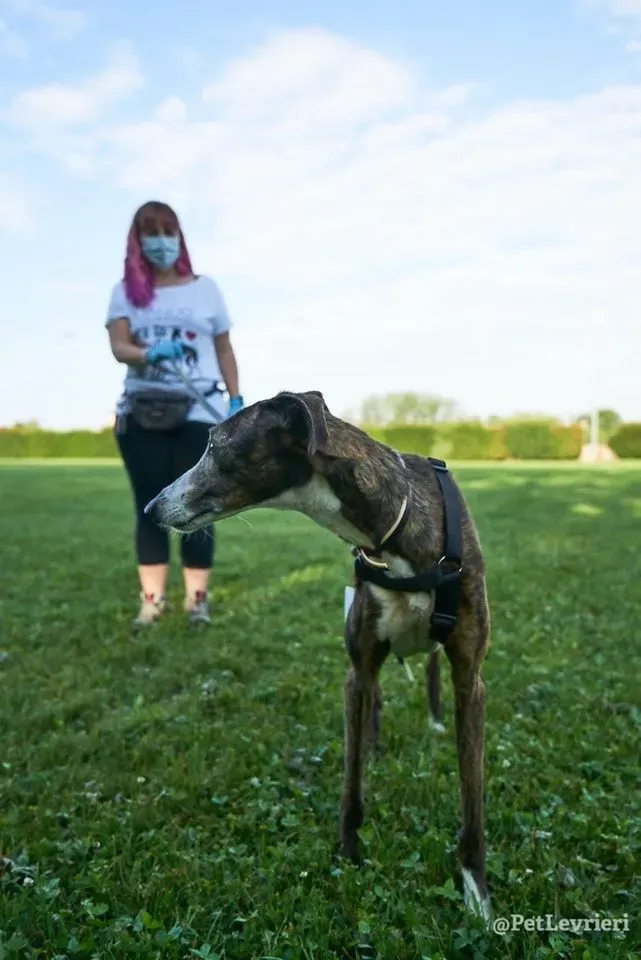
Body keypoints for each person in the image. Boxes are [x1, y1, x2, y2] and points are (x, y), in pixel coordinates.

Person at [105, 199, 244, 628]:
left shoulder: (206, 289)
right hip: (142, 413)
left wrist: (235, 400)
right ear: (137, 240)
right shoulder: (125, 292)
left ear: (179, 236)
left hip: (199, 412)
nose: (161, 241)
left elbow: (223, 347)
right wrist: (150, 354)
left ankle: (196, 600)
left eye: (168, 231)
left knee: (197, 504)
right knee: (149, 507)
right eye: (152, 232)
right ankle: (152, 601)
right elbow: (119, 348)